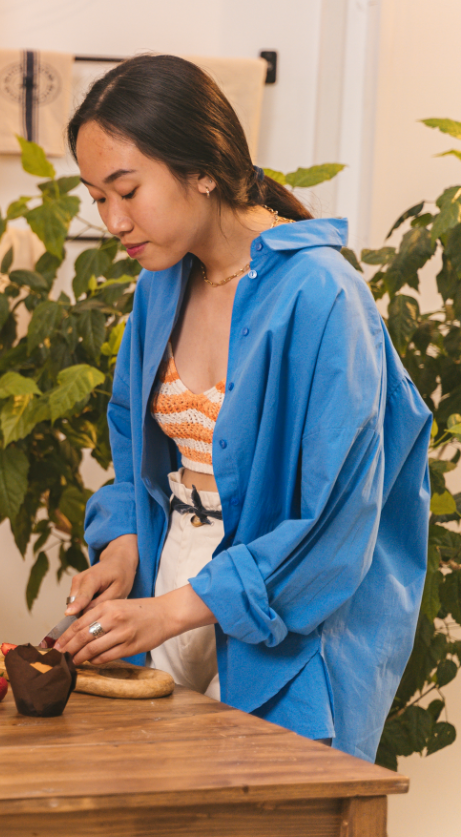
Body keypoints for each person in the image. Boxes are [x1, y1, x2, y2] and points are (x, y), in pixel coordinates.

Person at [53, 55, 432, 761]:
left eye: (125, 190)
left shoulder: (322, 296)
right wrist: (126, 541)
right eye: (96, 196)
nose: (111, 219)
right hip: (168, 589)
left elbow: (334, 523)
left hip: (285, 622)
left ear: (201, 168)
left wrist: (173, 609)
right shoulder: (158, 285)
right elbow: (134, 449)